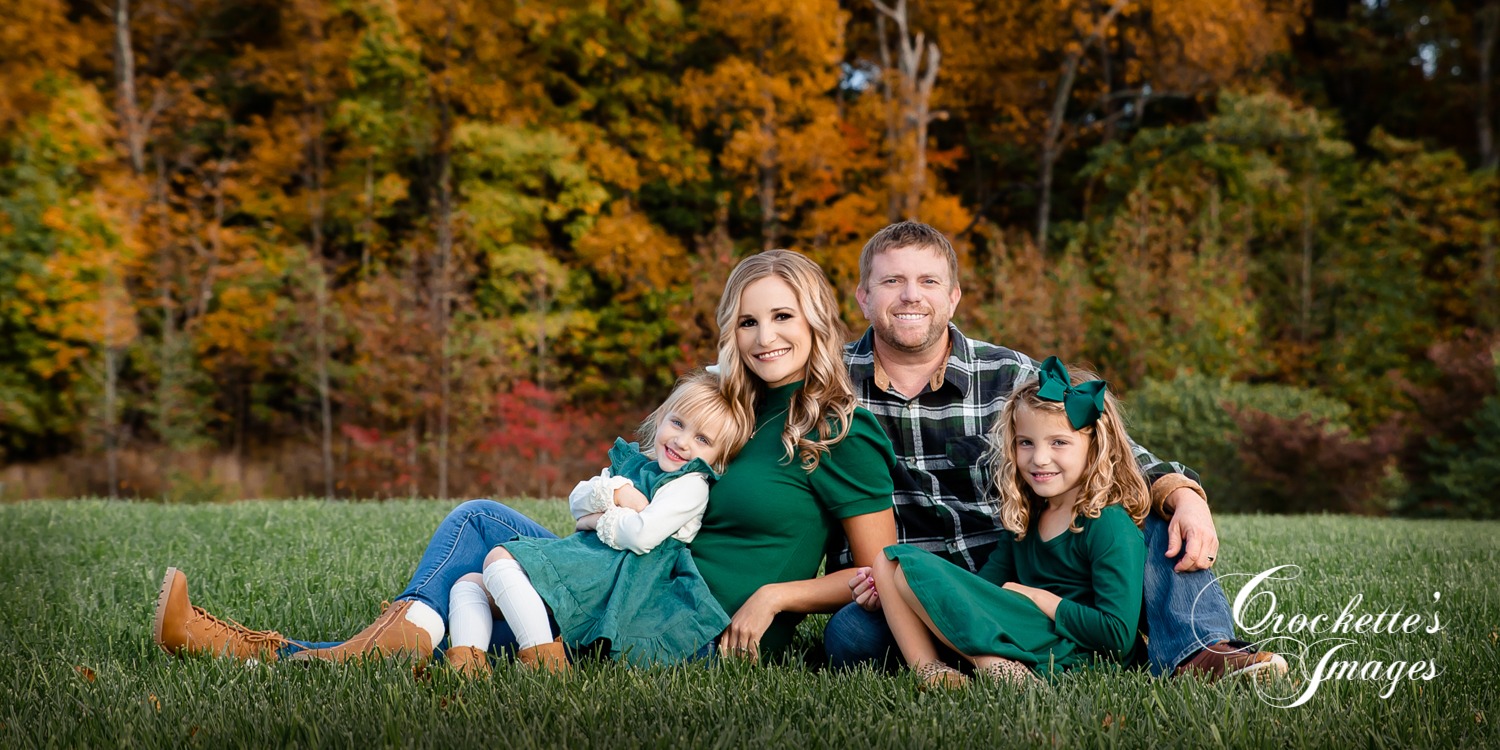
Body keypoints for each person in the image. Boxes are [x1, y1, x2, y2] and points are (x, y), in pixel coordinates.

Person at [152, 250, 899, 665]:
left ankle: (287, 656)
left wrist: (774, 600)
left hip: (687, 625)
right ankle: (363, 644)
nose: (765, 336)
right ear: (728, 330)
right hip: (627, 578)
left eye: (782, 317)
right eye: (748, 320)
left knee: (479, 586)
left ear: (817, 321)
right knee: (480, 525)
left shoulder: (836, 430)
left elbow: (881, 574)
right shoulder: (724, 410)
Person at [826, 220, 1287, 681]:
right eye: (892, 281)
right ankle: (995, 656)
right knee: (851, 637)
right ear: (863, 297)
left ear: (953, 297)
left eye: (928, 281)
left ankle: (1197, 652)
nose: (911, 296)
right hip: (907, 586)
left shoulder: (1007, 373)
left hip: (1022, 576)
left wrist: (1184, 495)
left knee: (1159, 512)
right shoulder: (828, 386)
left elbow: (1112, 450)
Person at [436, 370, 751, 677]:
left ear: (718, 458)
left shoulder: (691, 483)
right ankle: (465, 668)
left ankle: (544, 660)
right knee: (469, 583)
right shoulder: (635, 463)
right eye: (678, 423)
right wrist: (619, 493)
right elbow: (579, 499)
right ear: (660, 417)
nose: (682, 442)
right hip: (594, 558)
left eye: (702, 439)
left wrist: (597, 518)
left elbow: (642, 535)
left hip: (627, 573)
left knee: (499, 559)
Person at [876, 357, 1147, 688]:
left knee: (907, 566)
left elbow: (1117, 635)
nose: (1039, 458)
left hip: (1078, 652)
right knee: (887, 562)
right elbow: (986, 591)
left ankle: (995, 666)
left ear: (1096, 448)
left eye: (1059, 442)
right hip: (1029, 631)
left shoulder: (1107, 524)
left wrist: (1038, 598)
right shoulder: (1028, 516)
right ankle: (931, 670)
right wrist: (935, 591)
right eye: (1026, 443)